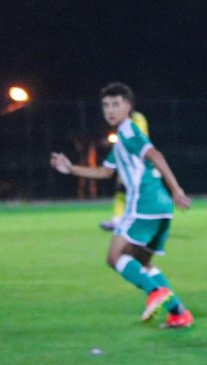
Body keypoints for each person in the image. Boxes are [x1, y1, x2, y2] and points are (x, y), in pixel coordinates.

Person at [50, 82, 194, 328]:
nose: (110, 110)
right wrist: (71, 168)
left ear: (129, 106)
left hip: (143, 204)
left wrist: (177, 189)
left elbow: (156, 155)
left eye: (116, 104)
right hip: (161, 206)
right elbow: (106, 172)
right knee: (143, 263)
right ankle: (179, 313)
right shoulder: (122, 140)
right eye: (106, 105)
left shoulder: (128, 130)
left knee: (114, 257)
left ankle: (155, 293)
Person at [100, 110, 150, 232]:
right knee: (121, 191)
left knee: (138, 193)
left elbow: (137, 137)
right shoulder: (121, 120)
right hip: (125, 161)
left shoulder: (138, 118)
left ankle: (143, 221)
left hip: (137, 161)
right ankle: (117, 221)